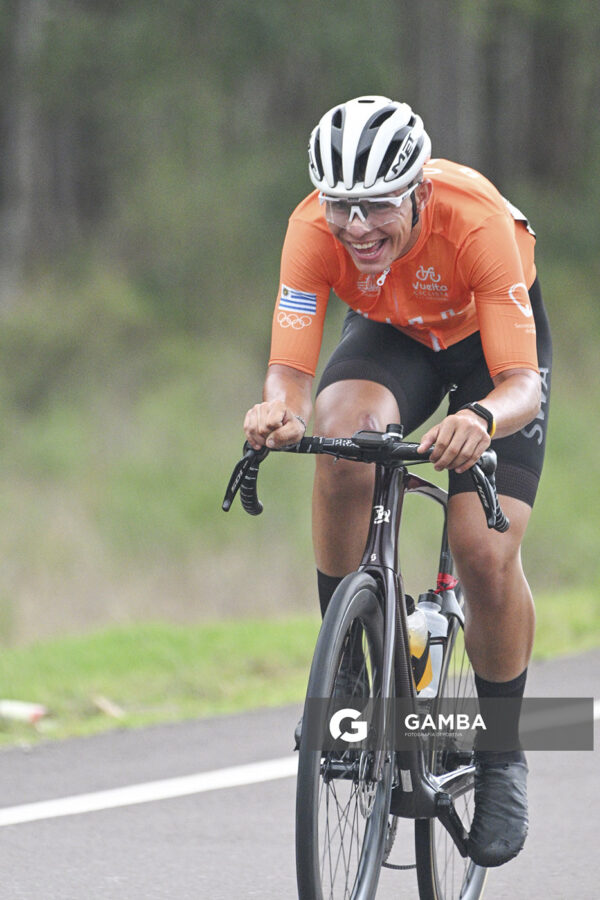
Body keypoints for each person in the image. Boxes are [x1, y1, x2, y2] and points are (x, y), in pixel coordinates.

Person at [243, 95, 551, 867]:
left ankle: (501, 752)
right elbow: (290, 371)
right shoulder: (310, 229)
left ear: (418, 191)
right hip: (394, 335)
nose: (356, 227)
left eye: (377, 205)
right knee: (340, 441)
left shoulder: (476, 222)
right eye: (341, 205)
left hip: (489, 352)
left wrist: (480, 417)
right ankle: (351, 673)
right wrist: (279, 411)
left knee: (482, 550)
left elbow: (522, 383)